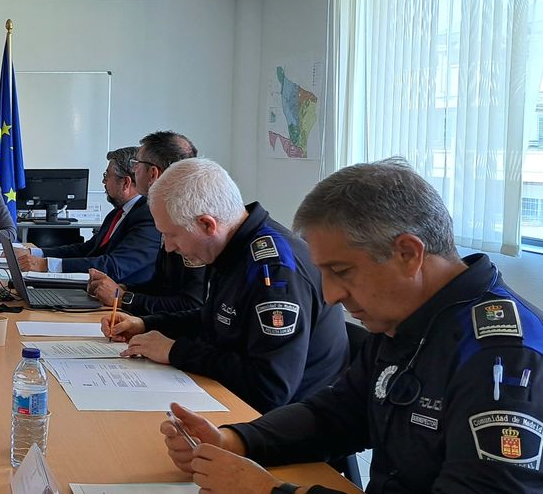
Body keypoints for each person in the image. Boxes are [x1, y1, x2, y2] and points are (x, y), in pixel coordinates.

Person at [159, 159, 543, 494]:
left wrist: (270, 491)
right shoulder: (406, 316)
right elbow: (337, 414)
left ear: (408, 254)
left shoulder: (504, 357)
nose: (328, 296)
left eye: (341, 272)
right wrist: (236, 439)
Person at [105, 158, 348, 414]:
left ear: (207, 224)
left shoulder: (273, 271)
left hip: (285, 431)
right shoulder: (232, 248)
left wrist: (176, 351)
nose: (168, 247)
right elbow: (218, 319)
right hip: (239, 408)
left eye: (172, 234)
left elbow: (269, 387)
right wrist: (147, 324)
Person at [87, 131, 205, 315]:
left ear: (152, 173)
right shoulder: (166, 211)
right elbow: (161, 285)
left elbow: (192, 304)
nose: (133, 171)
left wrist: (123, 297)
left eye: (136, 164)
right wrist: (123, 289)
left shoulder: (189, 219)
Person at [16, 146, 159, 283]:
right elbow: (87, 249)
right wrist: (35, 253)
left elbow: (115, 266)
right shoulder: (117, 214)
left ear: (126, 183)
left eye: (106, 176)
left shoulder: (147, 216)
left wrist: (46, 265)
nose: (103, 181)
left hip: (119, 300)